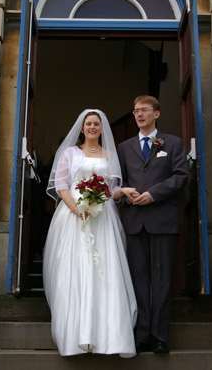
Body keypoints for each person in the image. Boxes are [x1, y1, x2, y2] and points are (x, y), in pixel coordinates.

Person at [43, 109, 138, 357]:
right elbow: (62, 184)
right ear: (82, 128)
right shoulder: (70, 154)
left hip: (102, 217)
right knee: (76, 269)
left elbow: (111, 190)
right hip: (75, 216)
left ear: (102, 128)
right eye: (89, 124)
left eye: (96, 123)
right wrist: (76, 208)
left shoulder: (110, 155)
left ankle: (110, 337)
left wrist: (123, 191)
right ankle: (76, 336)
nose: (93, 127)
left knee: (106, 271)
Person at [117, 95, 188, 354]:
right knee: (138, 280)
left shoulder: (173, 143)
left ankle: (160, 336)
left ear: (156, 113)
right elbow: (119, 179)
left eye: (144, 110)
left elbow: (181, 176)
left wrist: (154, 194)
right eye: (135, 111)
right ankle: (141, 334)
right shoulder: (124, 148)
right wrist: (127, 192)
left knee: (162, 280)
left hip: (162, 220)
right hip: (134, 221)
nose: (139, 115)